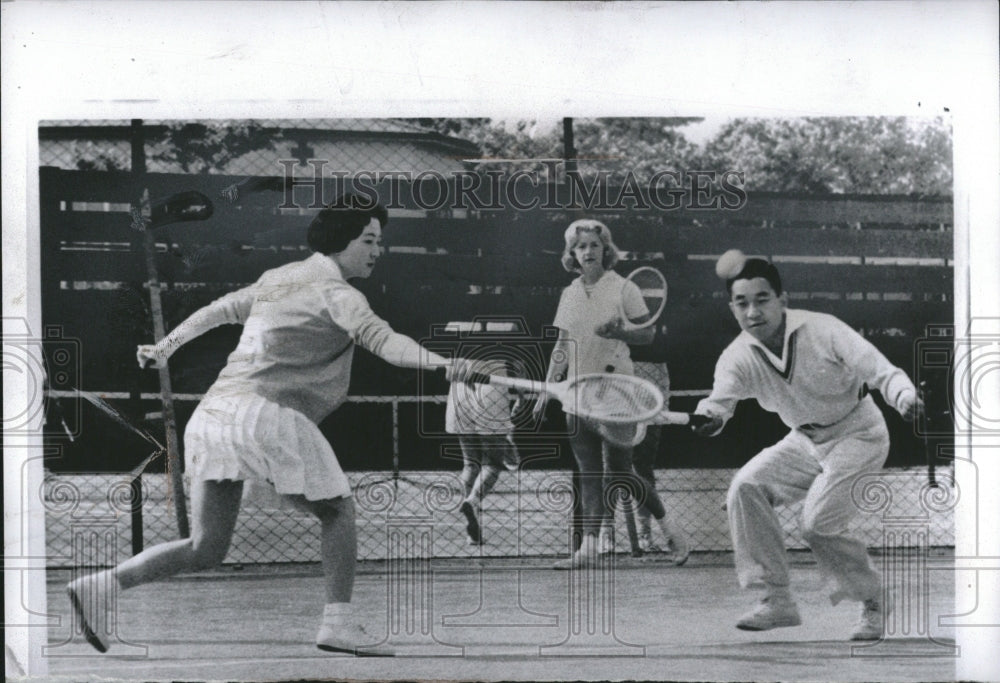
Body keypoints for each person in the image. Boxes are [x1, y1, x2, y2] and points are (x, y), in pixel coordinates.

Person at [66, 193, 464, 657]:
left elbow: (220, 310)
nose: (378, 250)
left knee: (206, 546)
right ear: (341, 240)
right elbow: (388, 343)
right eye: (369, 239)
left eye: (380, 241)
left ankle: (102, 585)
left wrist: (165, 347)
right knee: (337, 511)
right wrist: (443, 363)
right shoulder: (339, 294)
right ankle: (338, 623)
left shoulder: (279, 278)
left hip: (215, 414)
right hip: (262, 415)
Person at [691, 254, 923, 641]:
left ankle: (875, 599)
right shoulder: (736, 356)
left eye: (762, 299)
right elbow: (719, 404)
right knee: (745, 488)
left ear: (783, 300)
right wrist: (710, 418)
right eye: (742, 303)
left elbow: (881, 371)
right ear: (732, 308)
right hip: (804, 440)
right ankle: (777, 600)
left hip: (859, 434)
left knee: (818, 524)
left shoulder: (824, 329)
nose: (753, 311)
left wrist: (904, 397)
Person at [536, 218, 689, 569]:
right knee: (588, 471)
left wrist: (620, 331)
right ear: (572, 254)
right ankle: (588, 548)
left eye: (593, 244)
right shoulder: (569, 293)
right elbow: (562, 344)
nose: (588, 251)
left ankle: (671, 530)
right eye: (580, 246)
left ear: (605, 249)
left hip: (616, 389)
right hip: (575, 391)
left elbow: (647, 336)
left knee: (620, 472)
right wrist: (547, 388)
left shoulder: (624, 288)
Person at [446, 358, 520, 545]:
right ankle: (473, 500)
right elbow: (518, 363)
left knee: (470, 463)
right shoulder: (509, 327)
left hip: (460, 388)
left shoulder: (453, 328)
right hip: (491, 384)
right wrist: (522, 396)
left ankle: (473, 531)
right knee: (492, 463)